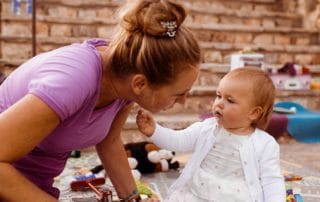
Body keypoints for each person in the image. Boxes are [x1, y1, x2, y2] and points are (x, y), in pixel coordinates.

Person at [0, 0, 201, 201]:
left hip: (31, 184)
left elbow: (110, 141)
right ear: (140, 84)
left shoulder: (124, 81)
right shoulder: (73, 81)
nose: (183, 101)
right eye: (179, 93)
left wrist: (133, 198)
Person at [136, 67, 286, 202]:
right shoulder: (207, 128)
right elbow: (178, 140)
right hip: (196, 193)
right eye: (219, 95)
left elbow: (271, 180)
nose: (219, 103)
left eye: (229, 100)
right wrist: (155, 131)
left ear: (253, 113)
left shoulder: (265, 144)